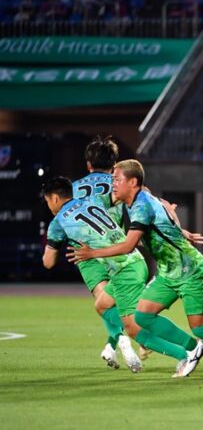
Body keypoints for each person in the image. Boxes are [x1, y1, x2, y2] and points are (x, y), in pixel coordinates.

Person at [69, 160, 203, 381]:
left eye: (117, 179)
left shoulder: (141, 206)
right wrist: (182, 233)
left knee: (201, 327)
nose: (114, 185)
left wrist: (92, 253)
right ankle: (191, 349)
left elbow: (129, 246)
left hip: (190, 271)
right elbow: (164, 217)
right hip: (169, 273)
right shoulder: (141, 199)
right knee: (143, 316)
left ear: (133, 182)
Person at [43, 177, 194, 375]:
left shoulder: (58, 223)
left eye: (47, 201)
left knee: (134, 327)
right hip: (135, 260)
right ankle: (185, 346)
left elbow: (48, 262)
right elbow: (128, 195)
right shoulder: (93, 200)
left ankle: (185, 352)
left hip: (125, 271)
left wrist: (57, 243)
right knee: (102, 304)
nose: (48, 205)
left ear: (54, 198)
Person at [70, 136, 137, 370]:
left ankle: (121, 340)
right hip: (114, 249)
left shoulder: (74, 188)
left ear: (88, 164)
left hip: (85, 251)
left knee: (104, 302)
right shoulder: (119, 183)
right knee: (111, 302)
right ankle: (113, 345)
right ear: (114, 164)